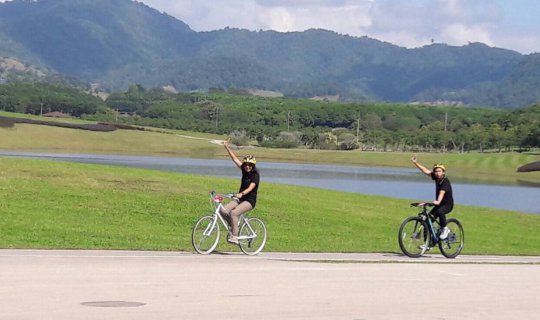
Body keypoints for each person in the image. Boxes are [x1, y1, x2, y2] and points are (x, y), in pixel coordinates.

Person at [221, 140, 260, 244]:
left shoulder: (255, 175)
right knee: (223, 210)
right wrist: (227, 147)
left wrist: (241, 194)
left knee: (233, 213)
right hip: (240, 199)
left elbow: (251, 188)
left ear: (253, 166)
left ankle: (234, 236)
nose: (247, 166)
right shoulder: (244, 169)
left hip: (249, 201)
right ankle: (234, 226)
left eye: (250, 165)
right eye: (246, 164)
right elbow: (234, 159)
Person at [411, 155, 454, 240]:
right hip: (439, 204)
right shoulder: (436, 177)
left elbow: (441, 194)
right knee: (427, 222)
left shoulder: (445, 182)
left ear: (443, 172)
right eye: (436, 171)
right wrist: (415, 163)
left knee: (440, 211)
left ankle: (445, 229)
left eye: (439, 171)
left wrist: (435, 202)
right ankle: (427, 244)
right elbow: (426, 171)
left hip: (447, 205)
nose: (437, 173)